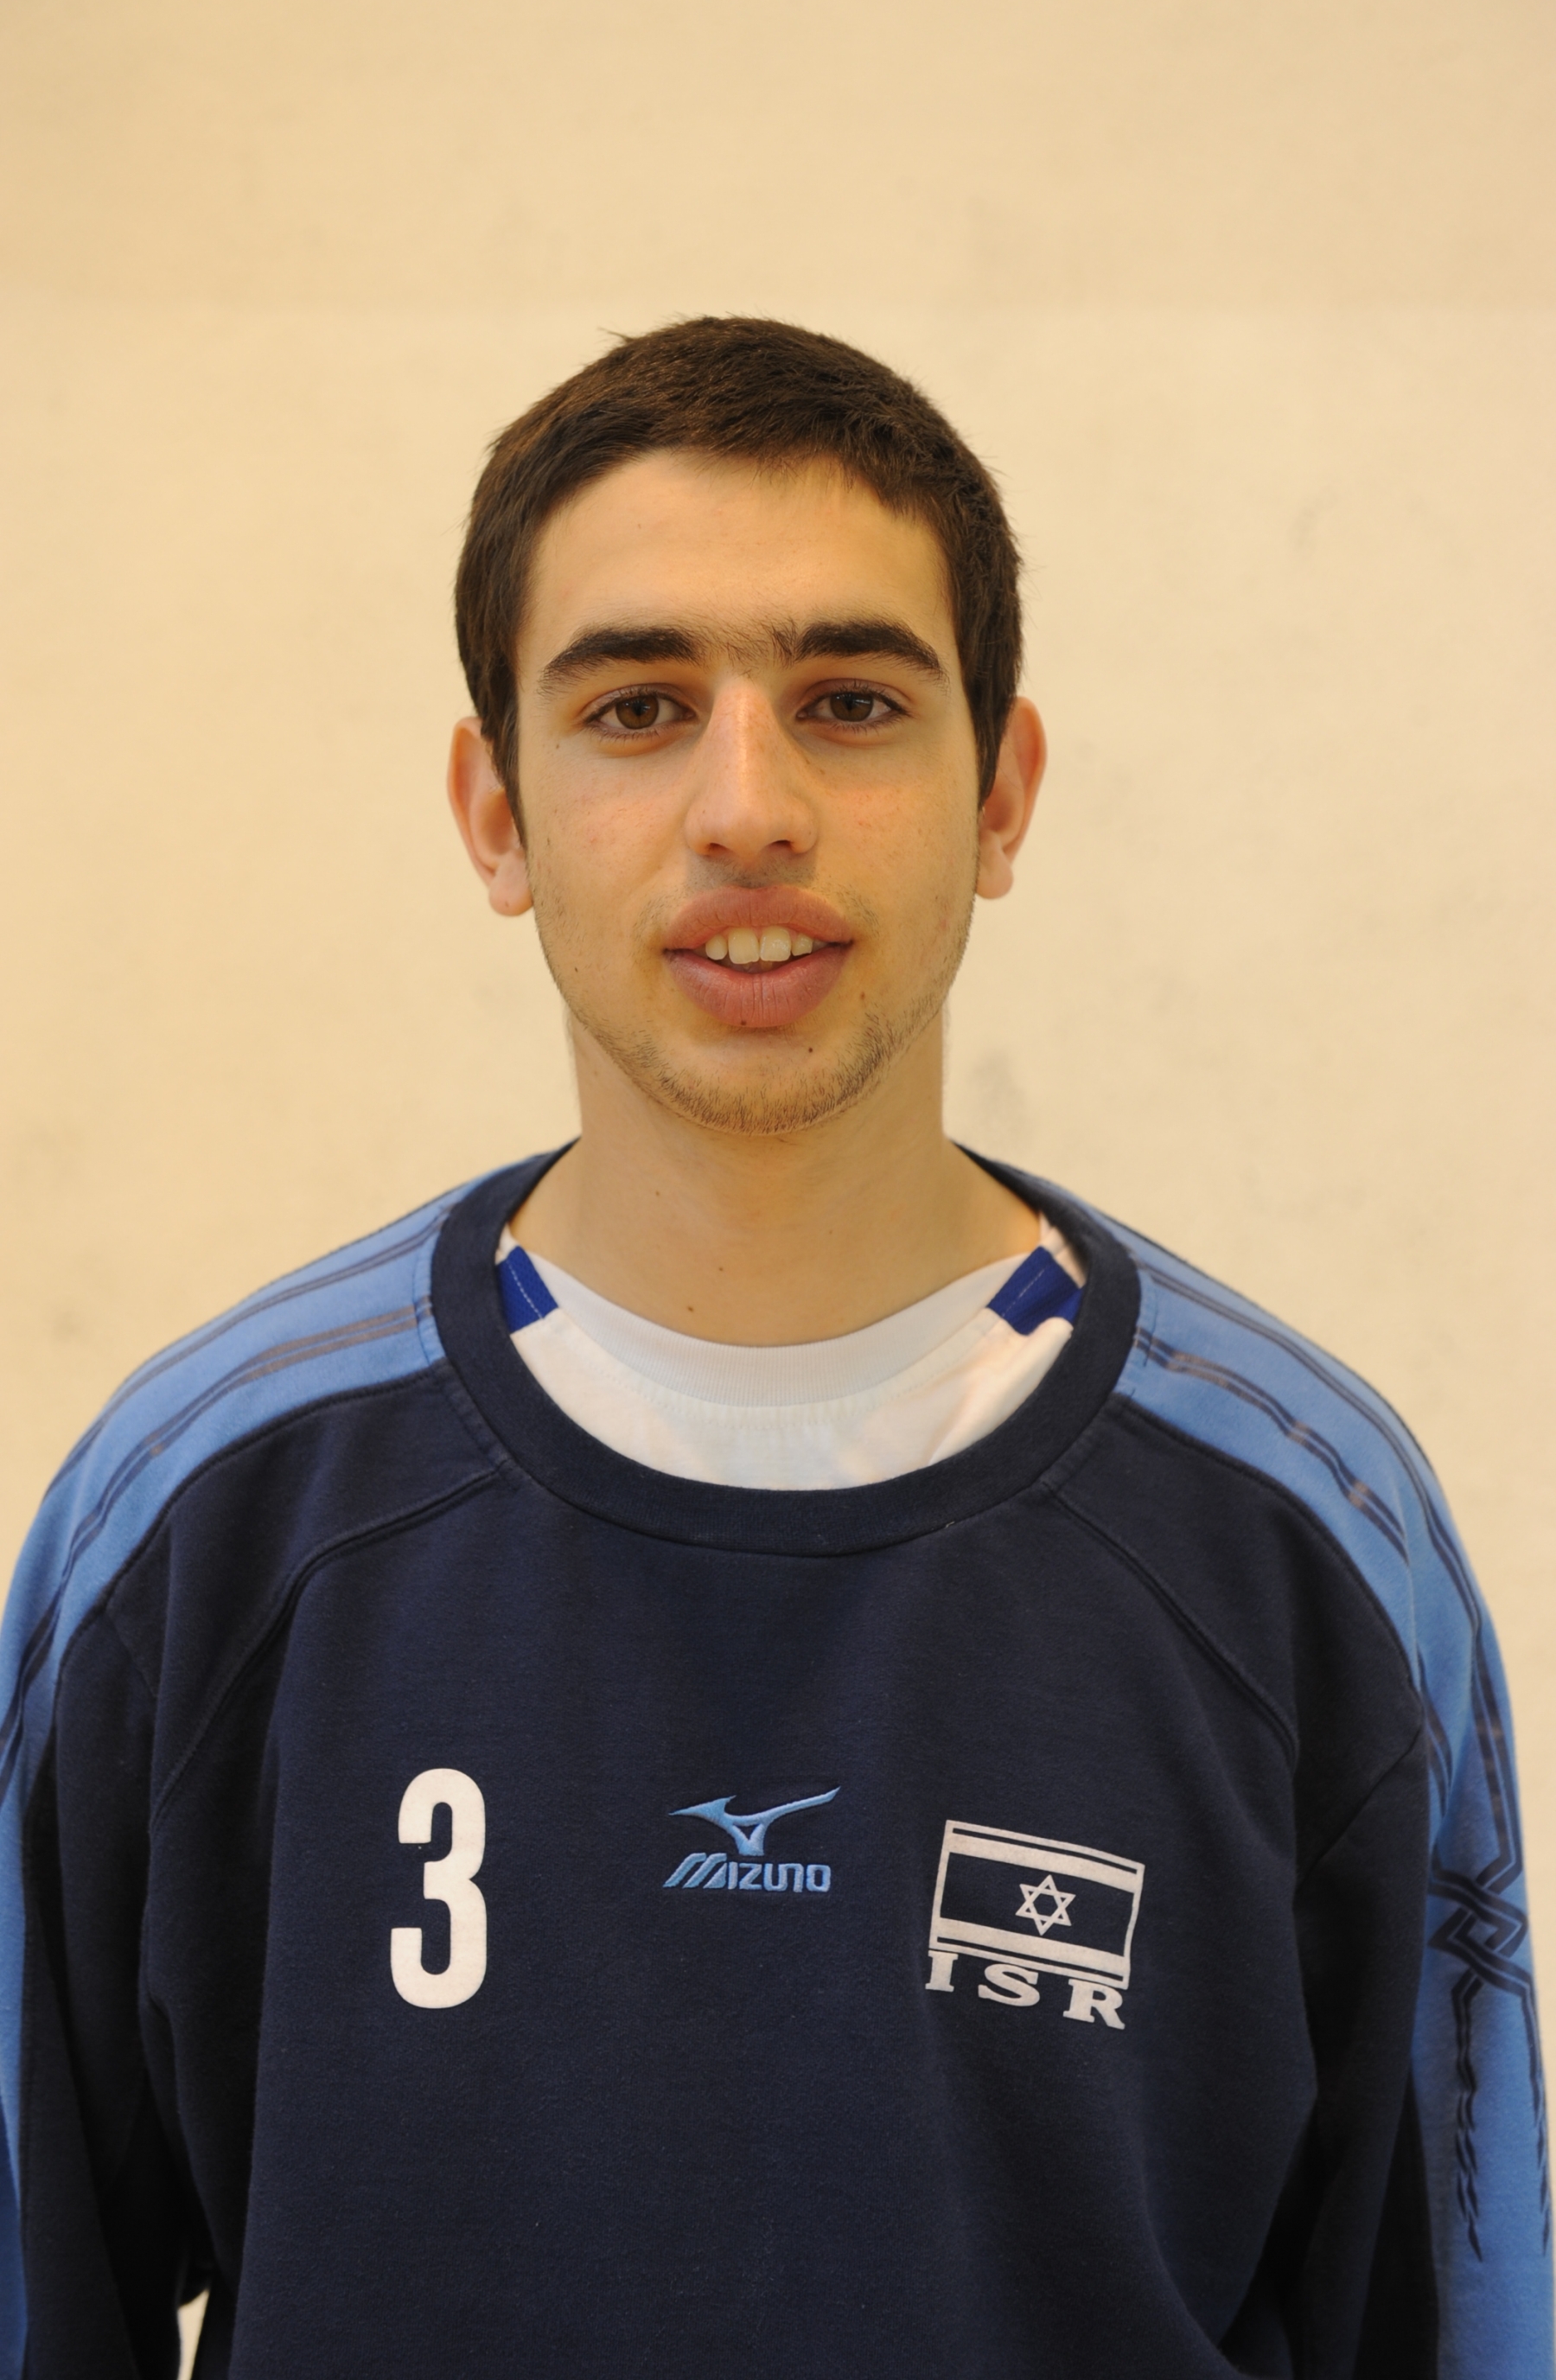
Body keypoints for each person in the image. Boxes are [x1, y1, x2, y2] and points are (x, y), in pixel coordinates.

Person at [0, 317, 1546, 2380]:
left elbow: (1456, 2317)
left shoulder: (1311, 1533)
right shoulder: (200, 1517)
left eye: (851, 701)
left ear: (1001, 793)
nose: (749, 806)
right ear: (496, 810)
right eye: (637, 705)